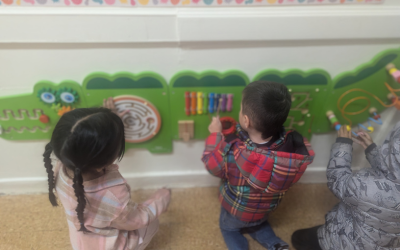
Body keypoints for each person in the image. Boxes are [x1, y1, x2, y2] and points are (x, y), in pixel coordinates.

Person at [43, 98, 171, 250]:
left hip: (82, 244)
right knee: (152, 221)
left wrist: (106, 123)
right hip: (112, 247)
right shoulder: (113, 195)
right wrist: (161, 199)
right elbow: (137, 220)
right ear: (103, 162)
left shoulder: (64, 164)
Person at [201, 81, 315, 250]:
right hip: (265, 209)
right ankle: (276, 244)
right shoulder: (292, 147)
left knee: (228, 228)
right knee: (258, 224)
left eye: (240, 109)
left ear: (246, 121)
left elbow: (212, 165)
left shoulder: (231, 149)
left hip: (237, 209)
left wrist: (215, 135)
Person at [292, 124, 400, 250]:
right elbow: (393, 173)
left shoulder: (364, 188)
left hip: (341, 242)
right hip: (384, 244)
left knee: (299, 238)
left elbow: (337, 179)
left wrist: (343, 145)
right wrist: (373, 151)